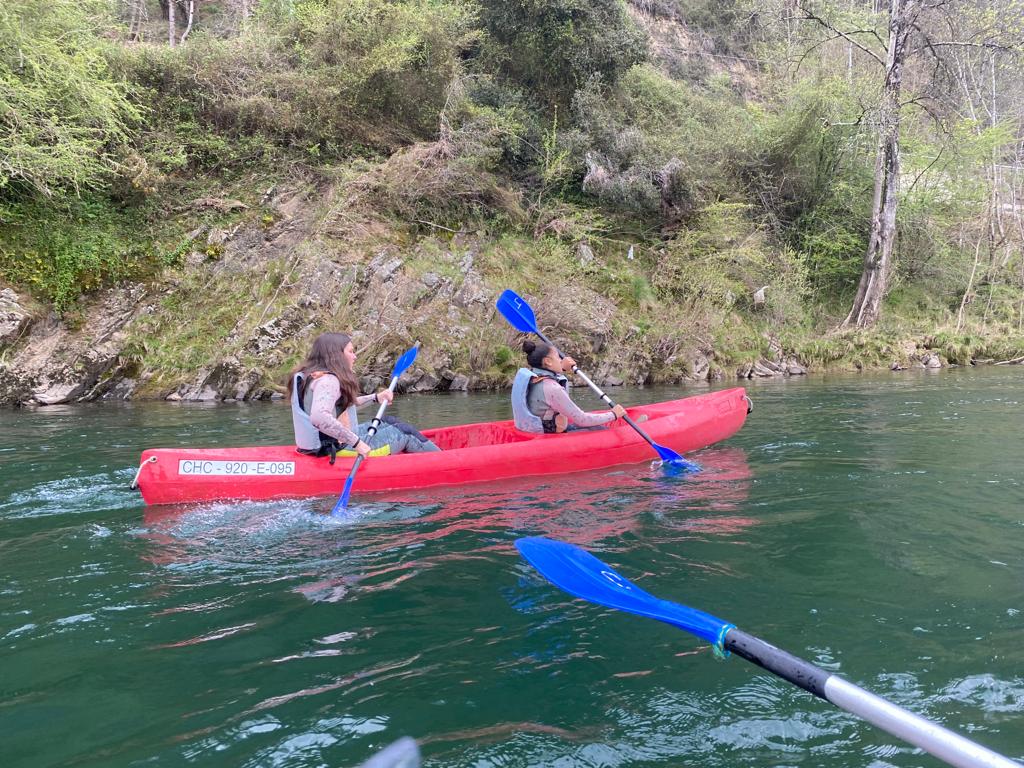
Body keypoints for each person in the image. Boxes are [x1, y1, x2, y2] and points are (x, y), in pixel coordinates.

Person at [288, 333, 440, 460]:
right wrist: (357, 443)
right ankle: (442, 460)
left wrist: (375, 397)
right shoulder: (328, 381)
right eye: (351, 352)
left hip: (321, 445)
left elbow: (341, 405)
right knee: (404, 432)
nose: (354, 356)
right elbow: (319, 417)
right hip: (333, 449)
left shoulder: (311, 376)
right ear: (337, 355)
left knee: (388, 421)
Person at [511, 340, 626, 434]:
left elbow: (549, 379)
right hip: (548, 436)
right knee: (600, 429)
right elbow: (581, 419)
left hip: (531, 430)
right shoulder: (552, 388)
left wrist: (562, 368)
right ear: (548, 362)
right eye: (558, 357)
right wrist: (613, 414)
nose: (561, 360)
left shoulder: (532, 377)